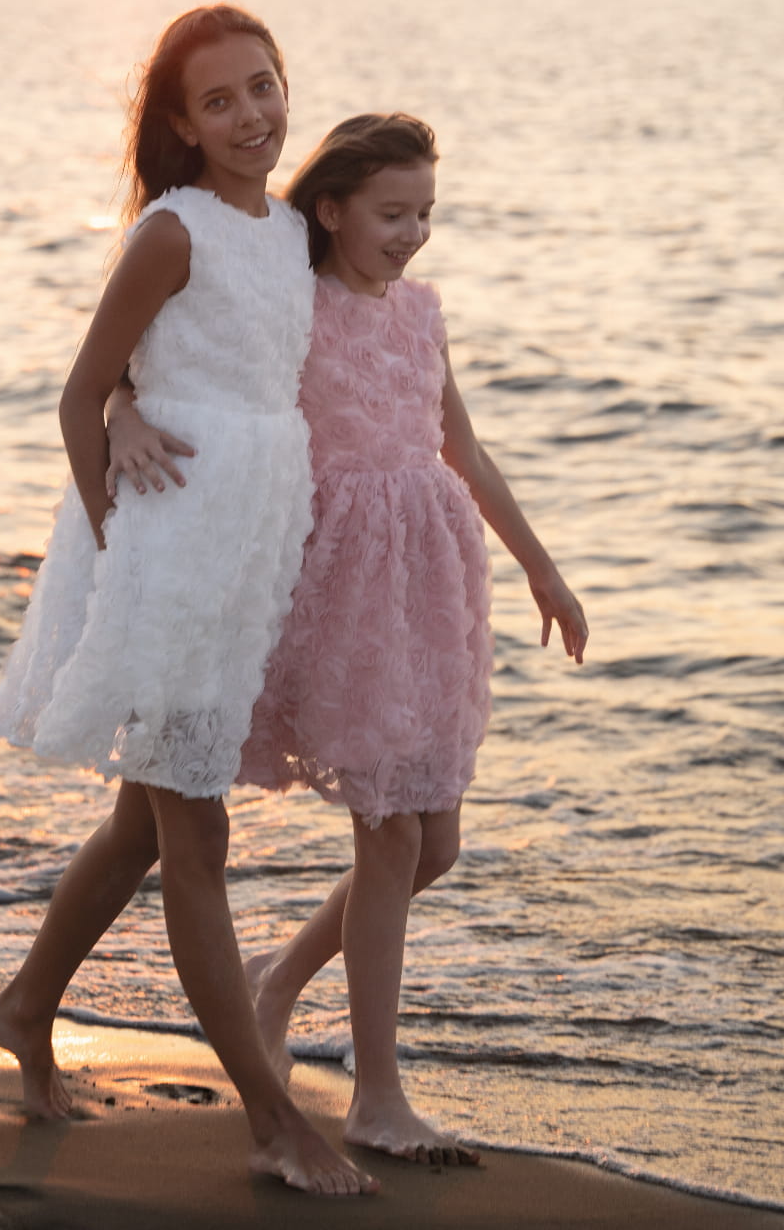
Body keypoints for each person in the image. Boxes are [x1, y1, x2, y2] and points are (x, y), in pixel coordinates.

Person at [114, 113, 588, 1169]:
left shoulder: (421, 313)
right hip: (340, 589)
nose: (413, 233)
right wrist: (115, 411)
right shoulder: (294, 305)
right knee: (391, 838)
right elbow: (166, 362)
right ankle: (378, 1095)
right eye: (392, 213)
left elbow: (462, 445)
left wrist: (541, 566)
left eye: (425, 212)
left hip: (427, 586)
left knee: (435, 844)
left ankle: (277, 983)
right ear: (329, 210)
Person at [0, 5, 374, 1198]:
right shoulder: (172, 230)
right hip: (160, 556)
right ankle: (271, 1116)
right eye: (219, 100)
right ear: (180, 123)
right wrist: (122, 558)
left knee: (144, 827)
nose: (252, 115)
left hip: (243, 554)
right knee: (195, 835)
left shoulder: (291, 230)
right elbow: (81, 392)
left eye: (264, 86)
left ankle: (24, 1004)